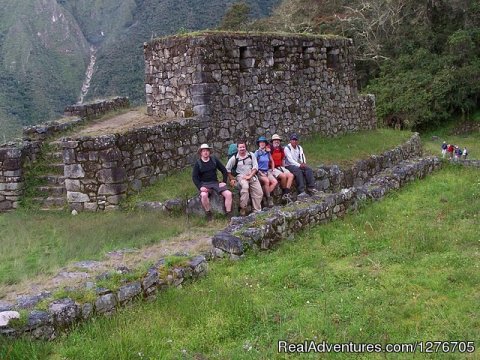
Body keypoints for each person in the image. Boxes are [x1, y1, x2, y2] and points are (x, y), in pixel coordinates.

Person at [192, 144, 233, 221]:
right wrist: (200, 187)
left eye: (207, 150)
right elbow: (194, 177)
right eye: (203, 151)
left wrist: (224, 181)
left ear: (209, 152)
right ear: (201, 153)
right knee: (204, 195)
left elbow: (224, 170)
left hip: (215, 183)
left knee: (228, 194)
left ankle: (229, 214)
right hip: (204, 184)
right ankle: (208, 213)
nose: (205, 152)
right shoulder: (198, 163)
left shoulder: (214, 160)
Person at [226, 140, 263, 216]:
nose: (242, 149)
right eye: (240, 147)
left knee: (259, 192)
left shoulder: (251, 155)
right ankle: (243, 208)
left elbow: (255, 167)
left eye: (243, 147)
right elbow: (227, 169)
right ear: (237, 148)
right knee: (245, 187)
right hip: (241, 176)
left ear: (245, 147)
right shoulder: (234, 158)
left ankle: (257, 211)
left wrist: (250, 176)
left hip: (251, 175)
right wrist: (232, 179)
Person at [270, 134, 294, 203]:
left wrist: (284, 168)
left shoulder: (281, 149)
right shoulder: (269, 149)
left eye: (278, 140)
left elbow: (283, 159)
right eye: (275, 140)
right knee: (283, 176)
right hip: (272, 168)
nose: (277, 141)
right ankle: (284, 192)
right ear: (272, 141)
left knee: (291, 175)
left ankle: (286, 192)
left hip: (280, 167)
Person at [255, 136, 277, 208]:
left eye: (263, 142)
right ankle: (268, 198)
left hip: (267, 171)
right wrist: (260, 172)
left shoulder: (267, 152)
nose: (262, 143)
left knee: (275, 182)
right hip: (259, 172)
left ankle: (264, 195)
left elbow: (272, 161)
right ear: (258, 144)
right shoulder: (257, 153)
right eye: (260, 142)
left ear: (265, 144)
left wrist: (273, 169)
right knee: (267, 181)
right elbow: (254, 165)